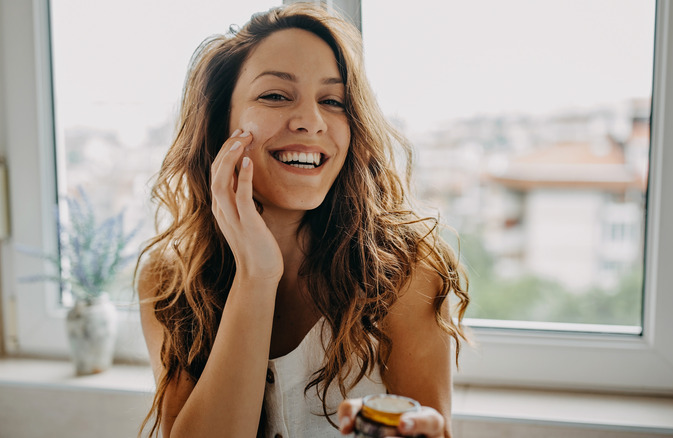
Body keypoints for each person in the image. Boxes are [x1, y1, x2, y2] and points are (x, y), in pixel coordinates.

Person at [136, 3, 469, 437]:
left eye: (333, 101)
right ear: (222, 124)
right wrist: (256, 277)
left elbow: (426, 428)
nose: (312, 122)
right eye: (275, 95)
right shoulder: (168, 280)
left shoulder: (407, 269)